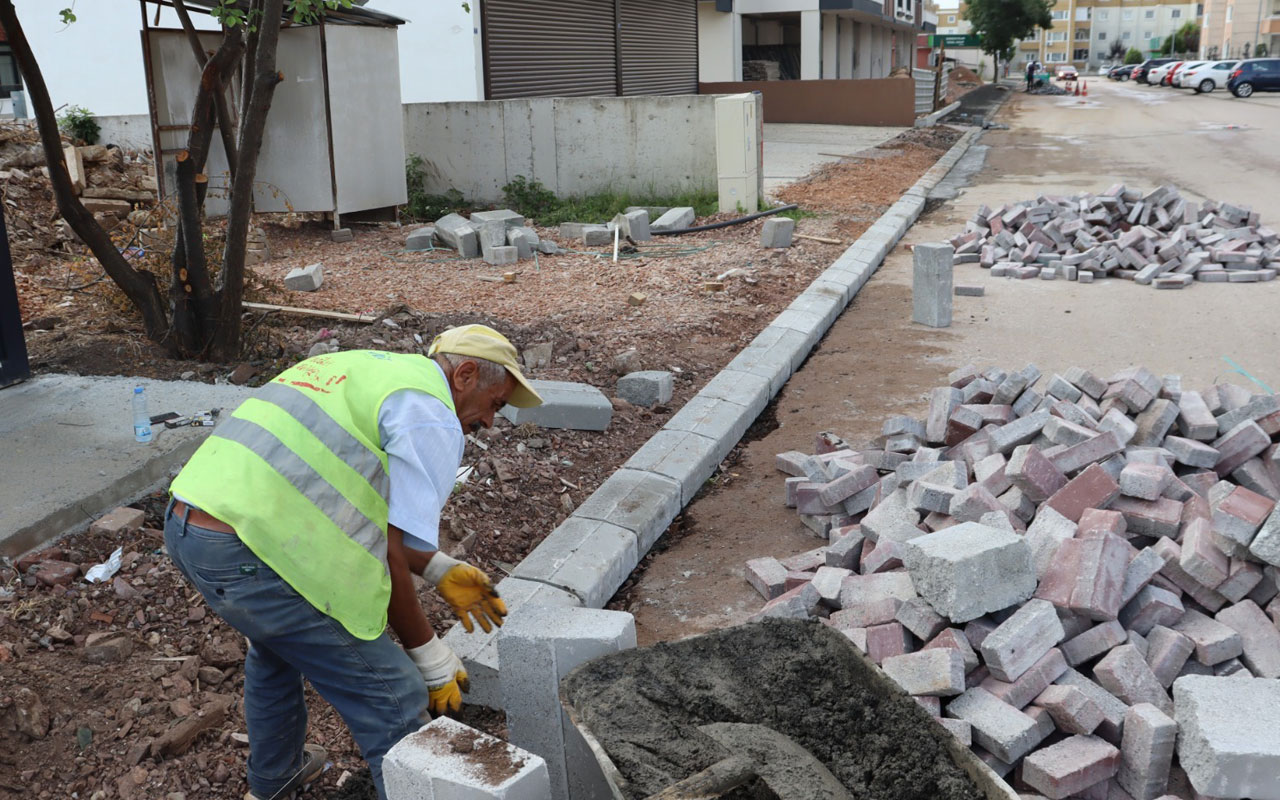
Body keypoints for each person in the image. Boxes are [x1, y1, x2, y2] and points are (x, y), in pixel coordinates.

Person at [163, 324, 542, 800]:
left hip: (191, 525)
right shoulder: (432, 416)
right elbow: (389, 553)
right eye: (495, 404)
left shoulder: (362, 369)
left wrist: (438, 567)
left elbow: (358, 504)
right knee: (394, 695)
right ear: (465, 373)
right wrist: (426, 653)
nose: (489, 422)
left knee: (277, 646)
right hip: (247, 554)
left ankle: (274, 781)